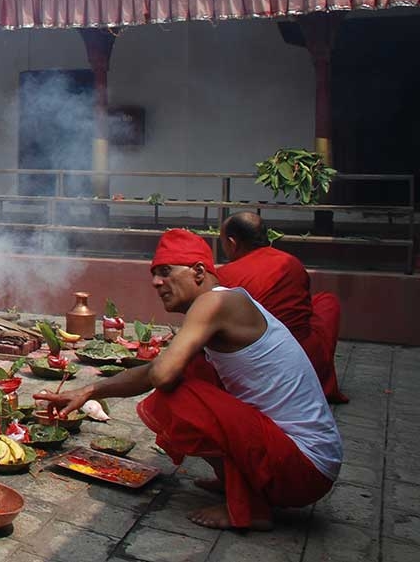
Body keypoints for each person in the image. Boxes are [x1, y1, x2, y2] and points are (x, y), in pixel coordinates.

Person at [36, 229, 342, 532]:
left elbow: (161, 375)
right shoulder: (226, 301)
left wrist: (105, 386)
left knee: (177, 394)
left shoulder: (215, 303)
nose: (156, 283)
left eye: (166, 272)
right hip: (306, 465)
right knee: (193, 371)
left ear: (198, 272)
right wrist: (88, 390)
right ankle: (236, 481)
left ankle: (250, 508)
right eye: (154, 275)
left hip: (304, 469)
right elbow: (154, 369)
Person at [217, 211, 347, 403]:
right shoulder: (291, 262)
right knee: (326, 303)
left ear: (232, 243)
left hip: (259, 370)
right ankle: (323, 380)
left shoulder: (226, 277)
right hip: (307, 361)